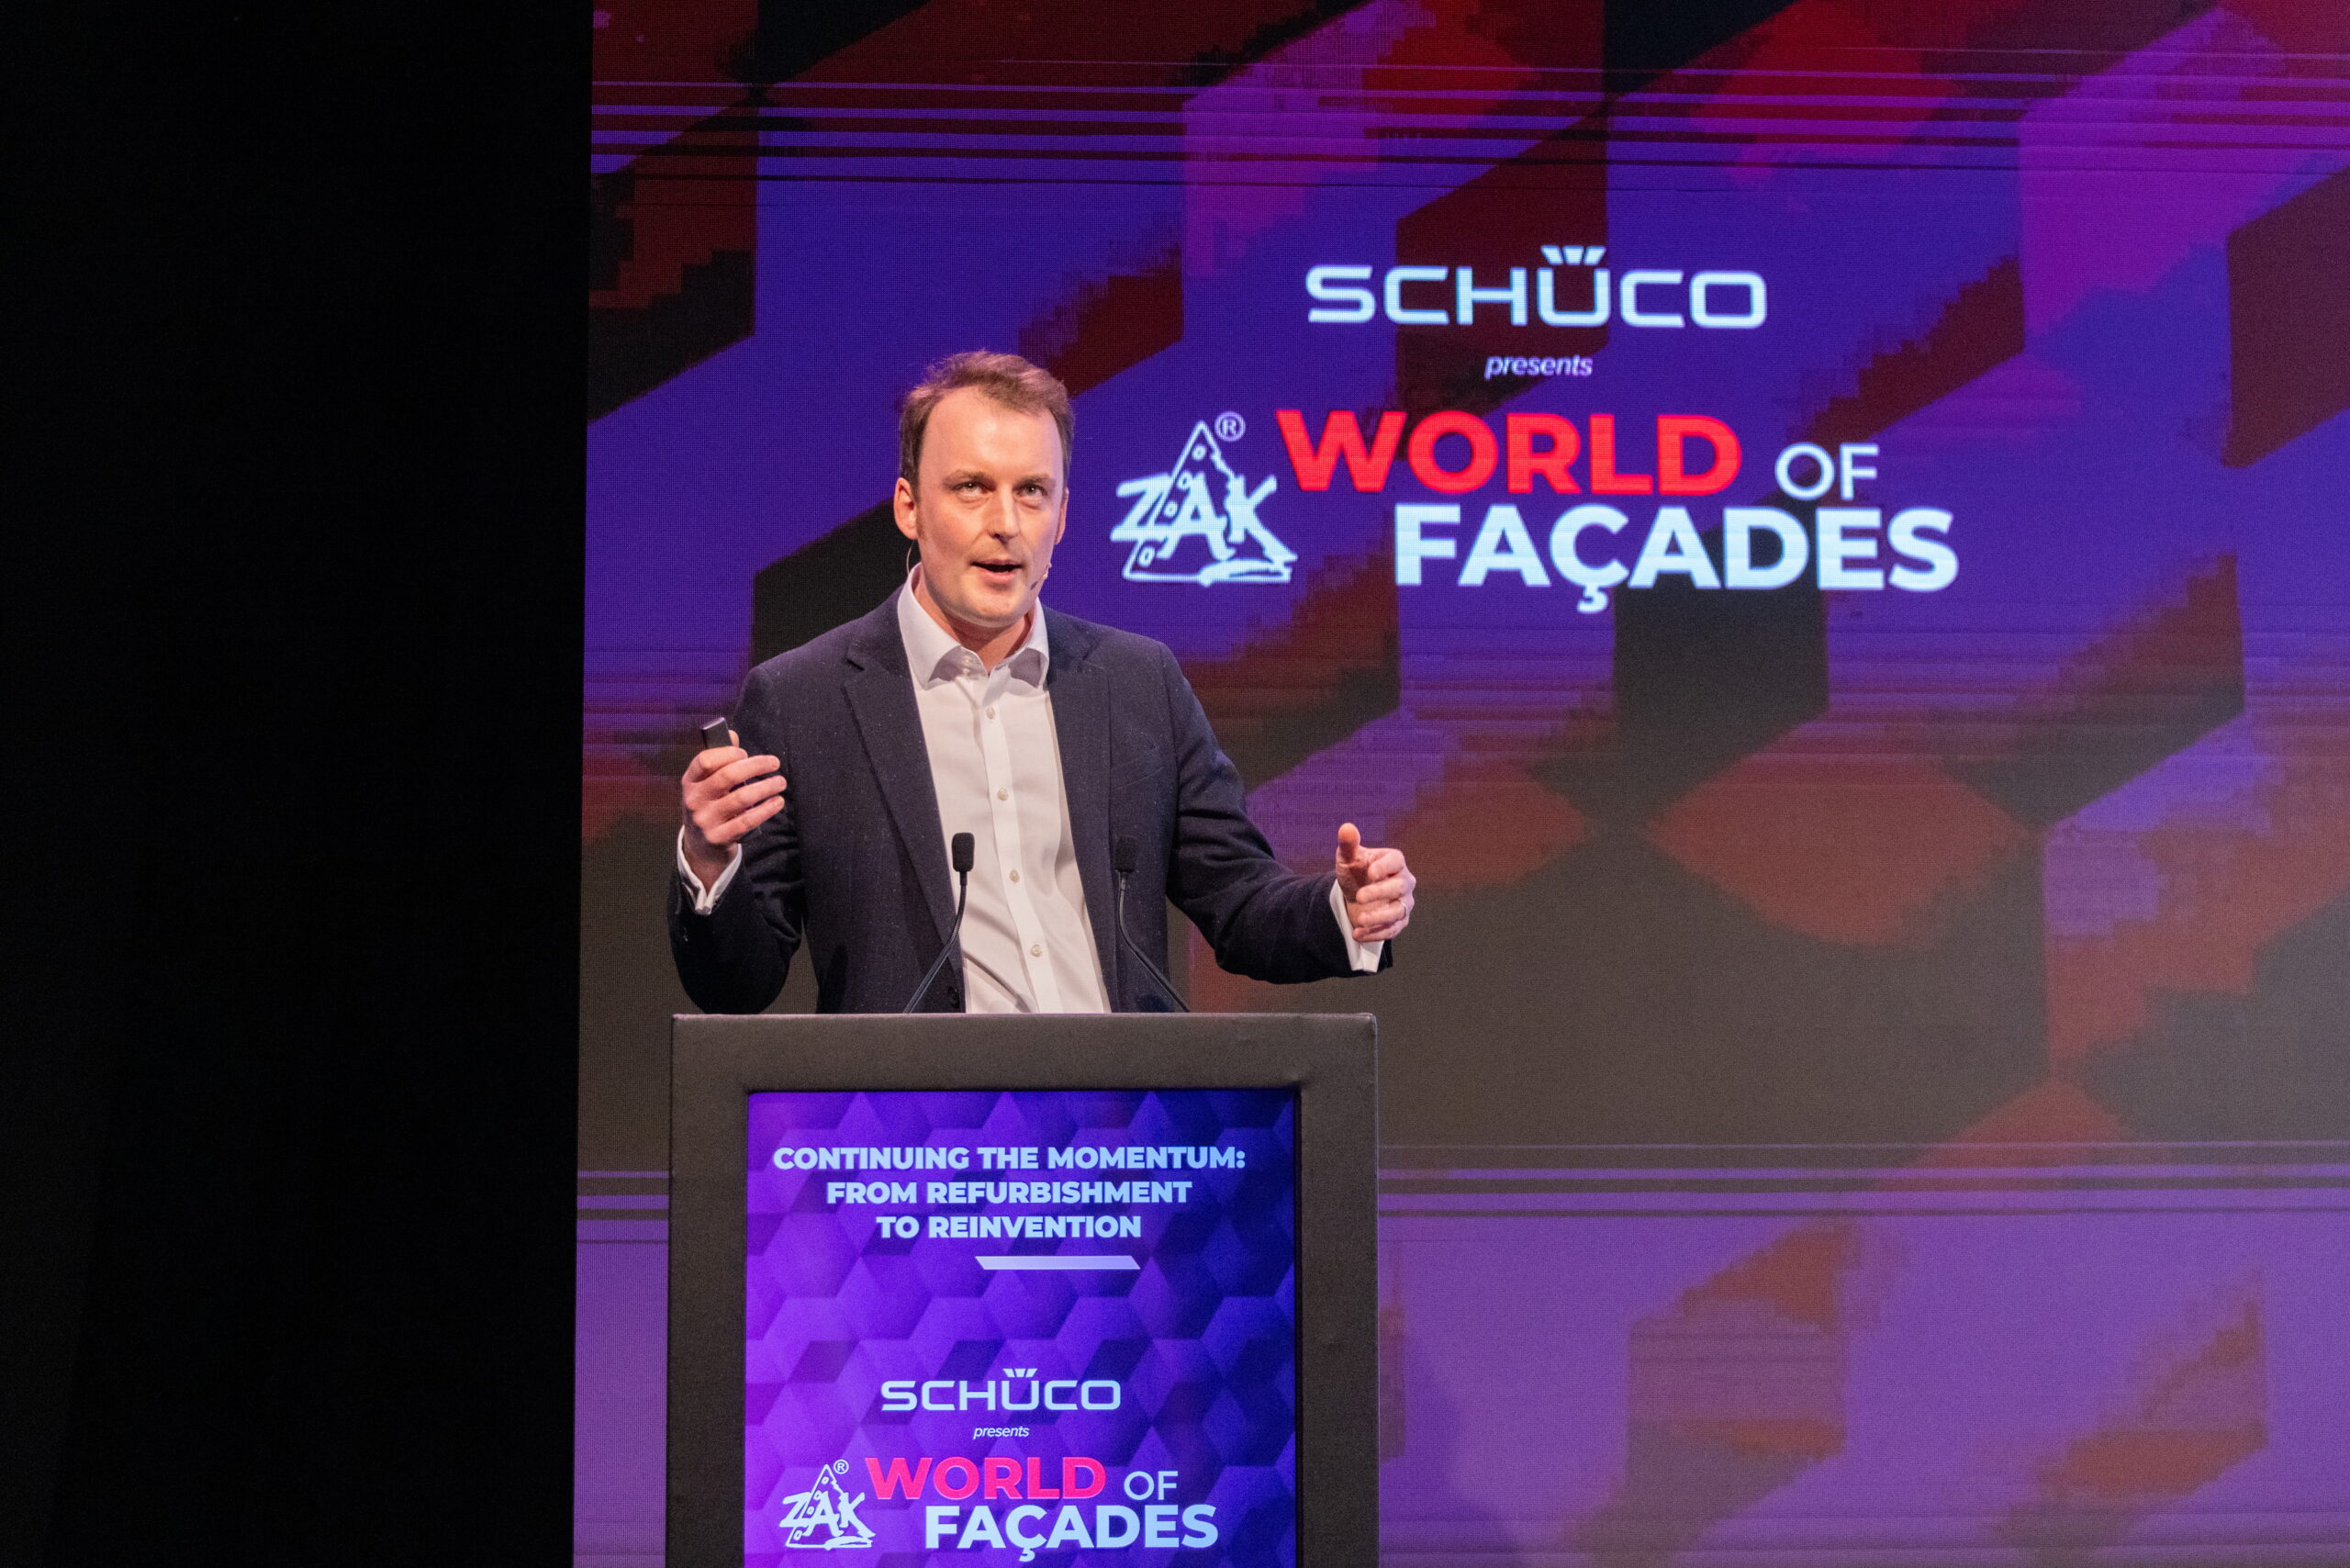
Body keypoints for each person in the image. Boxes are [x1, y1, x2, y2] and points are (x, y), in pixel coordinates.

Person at [669, 351, 1415, 1014]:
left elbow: (1241, 902)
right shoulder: (803, 702)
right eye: (971, 487)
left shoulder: (1139, 683)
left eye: (1032, 491)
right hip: (918, 1115)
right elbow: (737, 985)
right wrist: (709, 862)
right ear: (908, 507)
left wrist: (1344, 909)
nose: (1006, 522)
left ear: (1061, 517)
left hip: (1124, 1108)